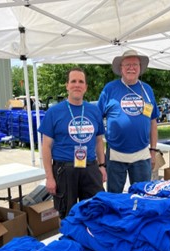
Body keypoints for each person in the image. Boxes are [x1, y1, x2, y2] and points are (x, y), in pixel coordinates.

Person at [38, 67, 107, 219]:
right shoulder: (54, 112)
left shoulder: (94, 111)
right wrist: (49, 177)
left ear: (85, 87)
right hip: (64, 170)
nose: (77, 85)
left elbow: (98, 141)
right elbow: (46, 147)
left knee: (95, 211)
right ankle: (68, 242)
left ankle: (89, 241)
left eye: (81, 81)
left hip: (90, 168)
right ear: (67, 85)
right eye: (73, 81)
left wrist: (102, 166)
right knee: (67, 215)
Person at [97, 50, 159, 193]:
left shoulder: (147, 89)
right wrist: (99, 158)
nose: (131, 68)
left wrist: (153, 150)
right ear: (121, 68)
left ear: (140, 67)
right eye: (127, 64)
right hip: (115, 153)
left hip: (142, 153)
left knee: (142, 196)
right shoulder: (109, 89)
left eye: (135, 64)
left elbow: (153, 122)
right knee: (114, 196)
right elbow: (97, 121)